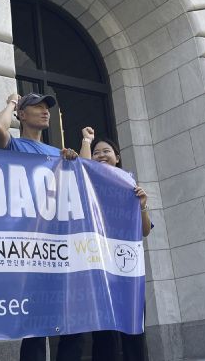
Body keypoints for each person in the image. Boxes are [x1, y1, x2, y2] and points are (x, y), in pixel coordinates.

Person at [0, 92, 81, 361]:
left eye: (47, 108)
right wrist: (10, 103)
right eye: (37, 107)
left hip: (58, 246)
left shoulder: (58, 154)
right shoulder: (14, 146)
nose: (45, 112)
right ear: (21, 114)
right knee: (36, 327)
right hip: (30, 248)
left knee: (70, 318)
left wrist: (73, 160)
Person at [79, 132, 150, 361]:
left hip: (127, 272)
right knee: (104, 333)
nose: (101, 155)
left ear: (117, 157)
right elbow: (83, 167)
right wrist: (87, 141)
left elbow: (145, 230)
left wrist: (142, 206)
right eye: (97, 152)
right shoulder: (92, 182)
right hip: (99, 268)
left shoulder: (129, 185)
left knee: (133, 330)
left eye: (106, 151)